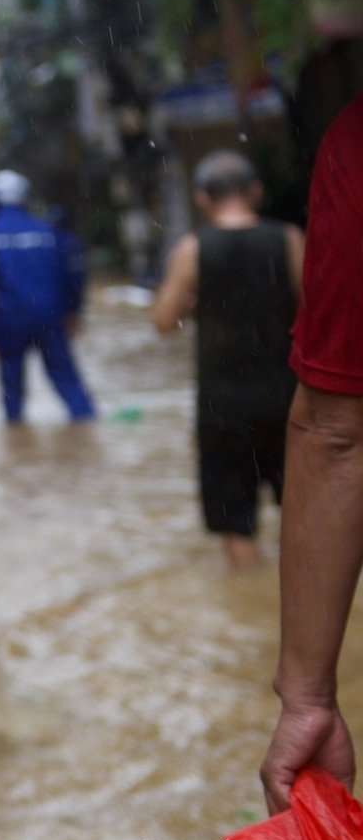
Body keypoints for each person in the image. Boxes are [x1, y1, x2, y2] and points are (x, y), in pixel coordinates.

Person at [259, 92, 363, 816]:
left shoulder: (356, 146)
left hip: (238, 401)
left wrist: (308, 694)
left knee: (232, 535)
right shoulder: (283, 243)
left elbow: (336, 430)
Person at [151, 150, 304, 569]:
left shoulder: (193, 249)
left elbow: (163, 321)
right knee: (304, 506)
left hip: (223, 404)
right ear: (255, 192)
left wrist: (191, 302)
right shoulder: (287, 239)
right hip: (287, 396)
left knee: (235, 519)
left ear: (203, 199)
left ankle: (253, 595)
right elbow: (317, 310)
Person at [0, 169, 96, 423]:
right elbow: (71, 275)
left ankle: (15, 443)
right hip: (50, 318)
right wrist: (73, 311)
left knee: (12, 389)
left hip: (8, 321)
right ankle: (88, 425)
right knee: (67, 379)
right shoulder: (47, 232)